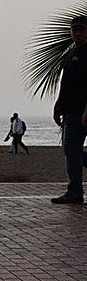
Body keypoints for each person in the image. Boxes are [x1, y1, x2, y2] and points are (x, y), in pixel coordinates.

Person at [51, 15, 87, 204]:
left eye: (81, 30)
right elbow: (66, 85)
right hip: (70, 111)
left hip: (81, 112)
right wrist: (58, 107)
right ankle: (74, 191)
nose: (78, 33)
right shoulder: (71, 53)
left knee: (72, 151)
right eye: (75, 30)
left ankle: (75, 192)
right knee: (71, 150)